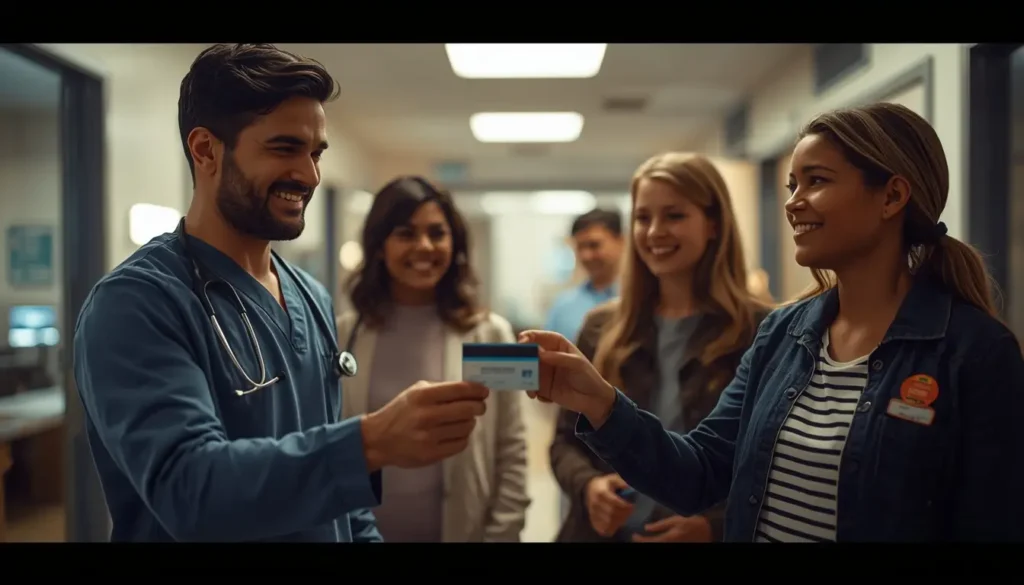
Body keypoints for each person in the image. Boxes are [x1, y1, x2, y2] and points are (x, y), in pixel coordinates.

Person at [522, 102, 1024, 542]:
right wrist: (601, 402)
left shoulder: (973, 353)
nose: (792, 202)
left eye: (817, 181)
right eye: (792, 184)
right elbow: (699, 472)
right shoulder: (784, 334)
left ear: (891, 197)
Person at [71, 44, 490, 542]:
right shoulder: (137, 304)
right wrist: (370, 441)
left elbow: (345, 500)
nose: (311, 176)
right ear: (206, 150)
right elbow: (191, 491)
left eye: (315, 153)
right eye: (284, 148)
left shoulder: (308, 295)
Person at [550, 153, 770, 543]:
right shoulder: (602, 328)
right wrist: (588, 487)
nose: (654, 232)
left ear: (713, 224)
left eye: (674, 216)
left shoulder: (760, 331)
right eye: (643, 217)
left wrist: (712, 527)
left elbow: (772, 462)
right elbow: (565, 441)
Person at [336, 176, 530, 542]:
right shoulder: (343, 335)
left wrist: (502, 534)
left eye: (437, 233)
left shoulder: (492, 333)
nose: (424, 247)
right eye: (406, 234)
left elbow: (512, 451)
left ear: (454, 243)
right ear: (379, 246)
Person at [544, 208, 624, 342]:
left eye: (594, 245)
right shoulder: (563, 308)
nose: (586, 255)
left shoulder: (641, 299)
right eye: (580, 247)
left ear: (621, 241)